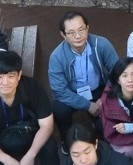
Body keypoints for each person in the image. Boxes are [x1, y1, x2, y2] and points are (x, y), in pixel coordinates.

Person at [0, 50, 59, 165]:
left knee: (49, 146)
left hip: (30, 137)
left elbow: (46, 126)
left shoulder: (33, 87)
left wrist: (31, 155)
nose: (5, 82)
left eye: (11, 76)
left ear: (19, 75)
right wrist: (5, 159)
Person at [48, 10, 119, 138]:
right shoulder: (57, 57)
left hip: (98, 89)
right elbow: (59, 90)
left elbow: (117, 72)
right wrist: (88, 105)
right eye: (71, 32)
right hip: (72, 92)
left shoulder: (102, 44)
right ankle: (66, 140)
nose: (78, 36)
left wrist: (105, 96)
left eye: (81, 30)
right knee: (59, 111)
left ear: (87, 28)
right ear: (63, 35)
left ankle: (99, 134)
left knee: (103, 128)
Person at [61, 121, 133, 165]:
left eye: (87, 152)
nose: (83, 160)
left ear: (95, 144)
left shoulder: (119, 164)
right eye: (76, 155)